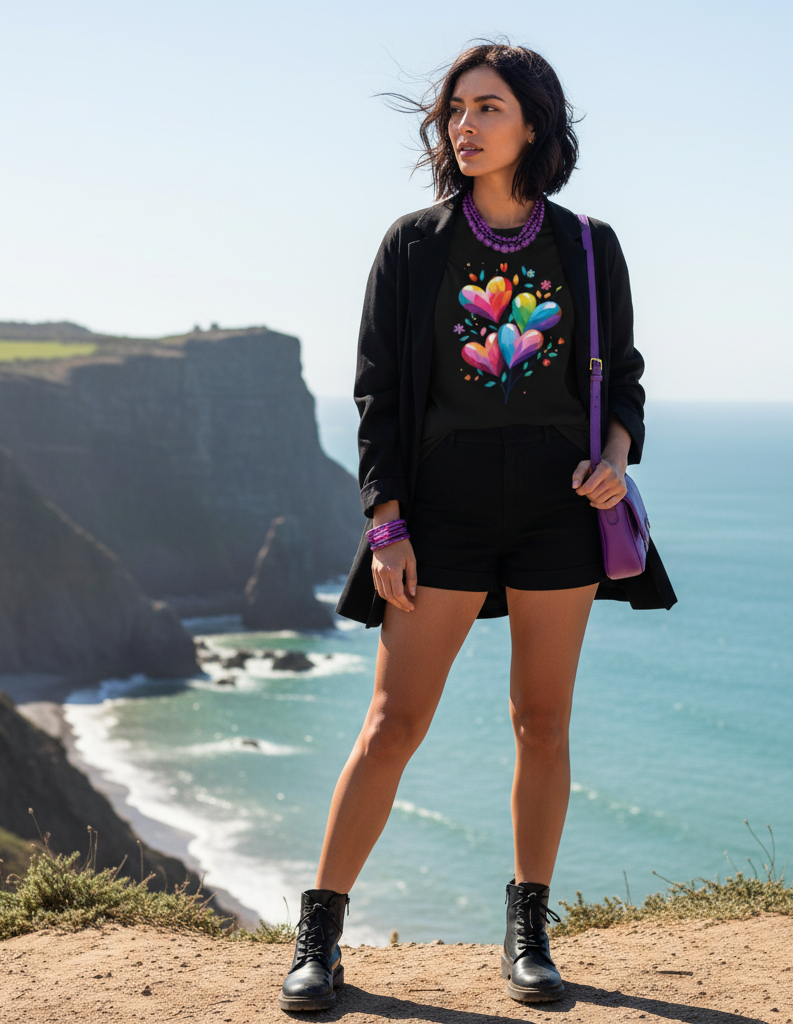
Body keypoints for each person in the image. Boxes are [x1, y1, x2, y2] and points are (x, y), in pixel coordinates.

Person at [278, 42, 676, 1013]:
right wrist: (386, 524)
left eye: (487, 107)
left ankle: (528, 931)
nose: (464, 125)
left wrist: (615, 460)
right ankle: (319, 935)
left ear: (531, 125)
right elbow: (376, 395)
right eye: (454, 110)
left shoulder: (588, 245)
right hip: (441, 511)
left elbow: (620, 378)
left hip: (558, 512)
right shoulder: (413, 247)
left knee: (541, 722)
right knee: (390, 724)